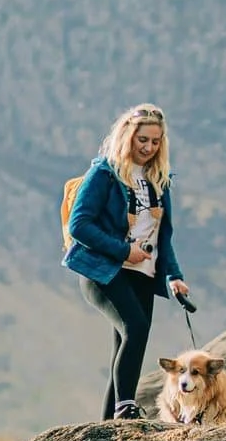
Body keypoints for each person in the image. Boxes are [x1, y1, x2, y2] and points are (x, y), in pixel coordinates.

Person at [63, 103, 193, 420]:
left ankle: (110, 421)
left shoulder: (159, 179)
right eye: (143, 140)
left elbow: (164, 235)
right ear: (127, 136)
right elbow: (80, 226)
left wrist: (173, 276)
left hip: (142, 275)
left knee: (126, 339)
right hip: (104, 272)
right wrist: (123, 251)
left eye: (155, 141)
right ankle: (125, 408)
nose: (149, 147)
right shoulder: (104, 174)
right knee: (135, 327)